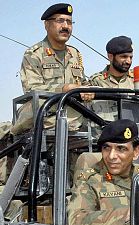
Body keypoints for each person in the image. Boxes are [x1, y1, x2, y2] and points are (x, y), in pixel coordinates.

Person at [11, 3, 93, 135]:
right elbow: (32, 90)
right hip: (47, 115)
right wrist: (64, 88)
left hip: (74, 116)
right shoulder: (34, 53)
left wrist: (88, 90)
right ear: (46, 25)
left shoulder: (74, 54)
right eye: (60, 21)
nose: (66, 26)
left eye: (69, 22)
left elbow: (82, 83)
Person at [88, 35, 139, 122]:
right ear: (110, 56)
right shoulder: (96, 81)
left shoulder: (138, 80)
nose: (128, 61)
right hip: (104, 133)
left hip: (134, 132)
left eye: (131, 57)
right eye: (124, 57)